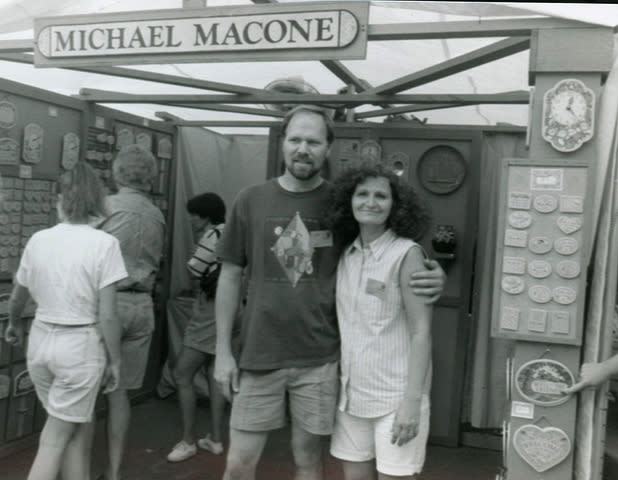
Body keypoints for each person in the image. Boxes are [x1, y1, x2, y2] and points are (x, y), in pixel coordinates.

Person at [214, 104, 445, 480]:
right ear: (283, 145)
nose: (303, 149)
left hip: (321, 359)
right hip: (258, 355)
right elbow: (229, 275)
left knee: (308, 460)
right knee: (239, 463)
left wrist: (435, 276)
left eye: (313, 141)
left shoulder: (345, 202)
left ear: (328, 148)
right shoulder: (250, 199)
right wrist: (223, 351)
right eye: (295, 139)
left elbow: (388, 248)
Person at [4, 162, 128, 480]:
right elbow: (109, 314)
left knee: (74, 429)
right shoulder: (105, 244)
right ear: (98, 201)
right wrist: (114, 362)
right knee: (55, 439)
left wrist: (13, 323)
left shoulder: (39, 239)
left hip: (41, 344)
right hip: (80, 348)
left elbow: (18, 297)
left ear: (61, 199)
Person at [327, 165, 433, 480]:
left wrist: (412, 403)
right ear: (349, 200)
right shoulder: (347, 254)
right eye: (362, 194)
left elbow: (421, 331)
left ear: (395, 205)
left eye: (381, 196)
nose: (370, 202)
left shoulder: (407, 254)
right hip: (351, 397)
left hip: (396, 399)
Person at [95, 144, 166, 480]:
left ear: (117, 172)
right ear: (151, 177)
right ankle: (113, 470)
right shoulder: (157, 214)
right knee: (119, 393)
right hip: (142, 307)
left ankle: (73, 467)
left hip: (108, 304)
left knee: (85, 387)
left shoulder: (104, 207)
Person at [167, 192, 227, 462]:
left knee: (182, 373)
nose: (190, 219)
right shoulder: (231, 231)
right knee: (215, 372)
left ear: (205, 216)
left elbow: (194, 269)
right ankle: (215, 438)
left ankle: (188, 440)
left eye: (194, 214)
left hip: (210, 309)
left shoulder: (212, 235)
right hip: (231, 309)